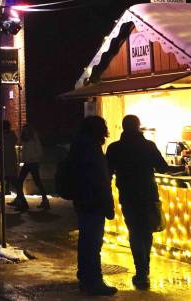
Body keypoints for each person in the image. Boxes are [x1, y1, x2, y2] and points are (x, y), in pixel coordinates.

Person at [106, 115, 168, 290]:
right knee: (147, 230)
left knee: (134, 231)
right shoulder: (148, 146)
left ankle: (140, 270)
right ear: (138, 127)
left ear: (123, 128)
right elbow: (162, 167)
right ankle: (144, 268)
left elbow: (107, 172)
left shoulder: (115, 148)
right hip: (148, 193)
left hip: (128, 194)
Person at [69, 115, 116, 296]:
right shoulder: (93, 150)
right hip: (93, 201)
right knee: (93, 243)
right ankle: (94, 281)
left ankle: (85, 276)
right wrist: (108, 206)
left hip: (82, 200)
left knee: (86, 241)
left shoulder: (78, 146)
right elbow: (100, 181)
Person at [17, 124, 49, 210]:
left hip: (33, 163)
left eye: (25, 130)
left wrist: (32, 158)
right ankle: (21, 201)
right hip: (27, 163)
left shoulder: (34, 139)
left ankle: (45, 201)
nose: (24, 132)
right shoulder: (25, 139)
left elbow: (40, 152)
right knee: (20, 181)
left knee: (37, 182)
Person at [1, 121, 20, 207]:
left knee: (11, 179)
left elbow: (6, 148)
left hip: (8, 161)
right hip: (9, 161)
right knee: (10, 179)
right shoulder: (10, 135)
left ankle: (21, 198)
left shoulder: (6, 136)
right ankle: (20, 198)